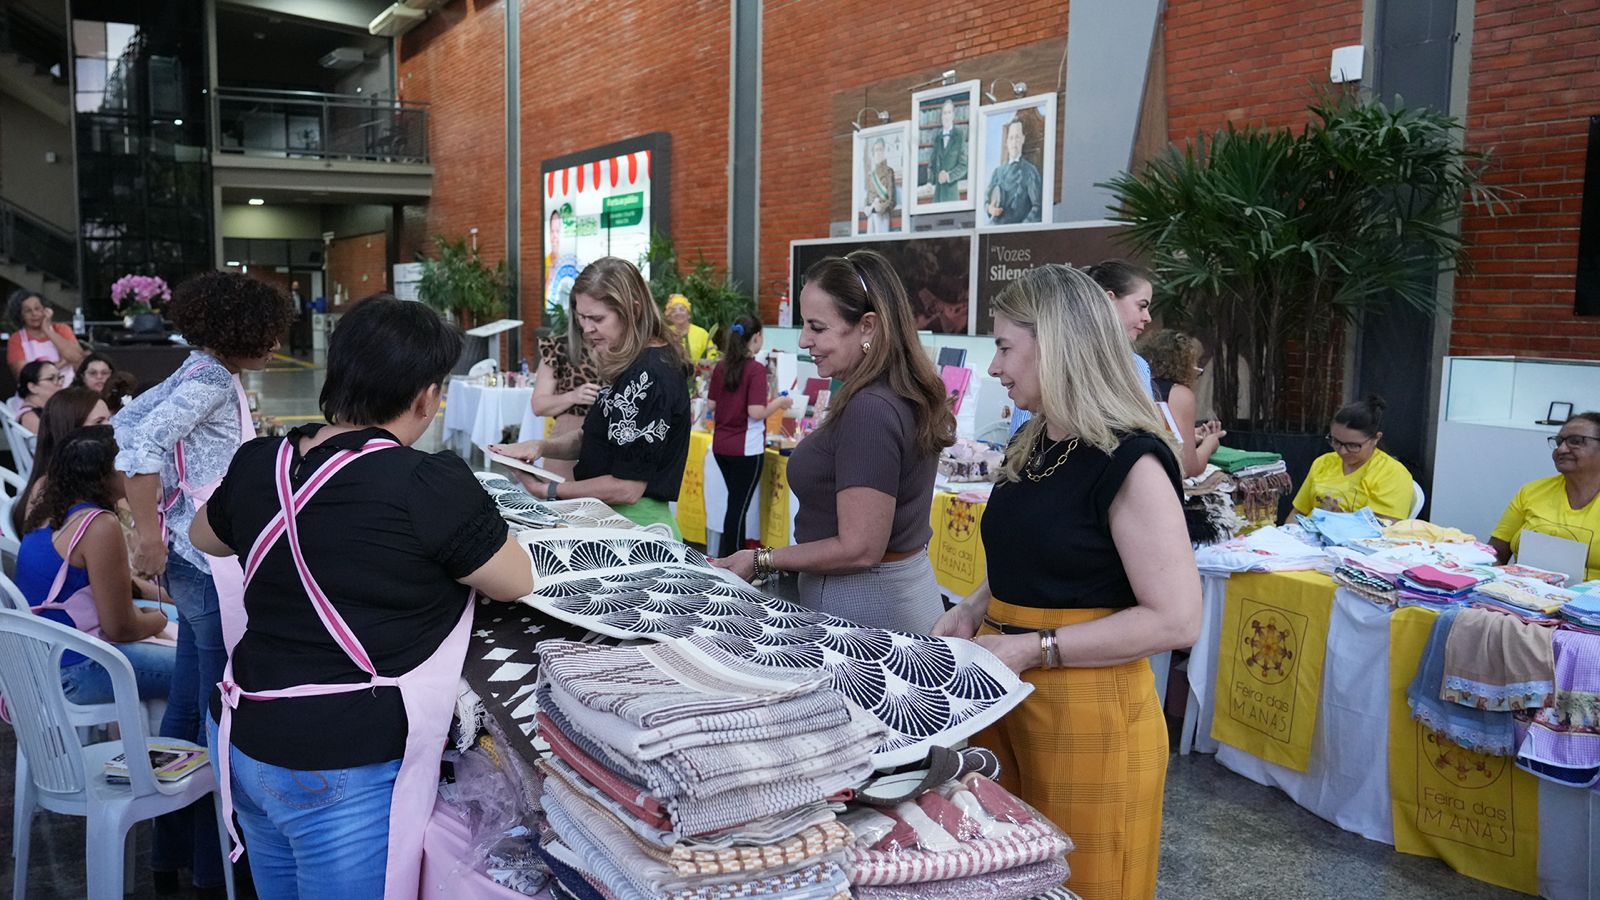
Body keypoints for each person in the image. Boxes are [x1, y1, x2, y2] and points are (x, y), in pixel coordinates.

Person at [190, 295, 534, 898]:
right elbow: (516, 580)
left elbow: (205, 538)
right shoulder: (427, 482)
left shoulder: (257, 463)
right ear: (427, 396)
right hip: (339, 762)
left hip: (246, 738)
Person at [932, 264, 1201, 900]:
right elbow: (1036, 557)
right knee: (1006, 877)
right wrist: (975, 608)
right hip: (1007, 695)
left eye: (1003, 347)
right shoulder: (1037, 437)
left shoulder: (1130, 457)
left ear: (1056, 344)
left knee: (1084, 884)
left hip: (1090, 713)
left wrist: (1035, 646)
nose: (995, 368)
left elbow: (1176, 618)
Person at [112, 270, 294, 895]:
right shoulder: (212, 380)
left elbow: (128, 421)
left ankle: (175, 851)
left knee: (190, 700)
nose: (274, 348)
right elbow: (138, 448)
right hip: (201, 553)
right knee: (220, 702)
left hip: (190, 546)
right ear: (236, 332)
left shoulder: (199, 371)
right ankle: (220, 861)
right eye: (267, 337)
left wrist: (158, 513)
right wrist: (150, 532)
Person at [712, 250, 955, 633]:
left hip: (867, 609)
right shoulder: (884, 395)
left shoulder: (871, 408)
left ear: (868, 327)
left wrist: (761, 560)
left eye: (817, 327)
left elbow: (859, 547)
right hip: (883, 600)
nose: (805, 340)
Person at [491, 257, 693, 536]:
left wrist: (549, 489)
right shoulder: (630, 363)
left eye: (597, 319)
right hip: (607, 518)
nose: (587, 329)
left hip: (635, 527)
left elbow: (628, 488)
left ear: (633, 311)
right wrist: (539, 447)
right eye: (581, 319)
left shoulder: (651, 373)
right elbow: (596, 438)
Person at [17, 426, 174, 706]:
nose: (132, 468)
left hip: (43, 662)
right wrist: (157, 619)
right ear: (104, 475)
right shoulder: (98, 525)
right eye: (124, 463)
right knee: (197, 666)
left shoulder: (47, 512)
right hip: (78, 670)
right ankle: (183, 745)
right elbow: (120, 629)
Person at [1013, 258, 1156, 435]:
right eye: (1141, 306)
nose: (1147, 317)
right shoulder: (1133, 365)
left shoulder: (1044, 360)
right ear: (1108, 300)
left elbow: (1018, 444)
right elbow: (1145, 434)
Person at [706, 315, 790, 558]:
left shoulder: (721, 367)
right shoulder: (755, 369)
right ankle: (732, 559)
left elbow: (711, 403)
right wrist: (780, 402)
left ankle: (731, 555)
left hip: (721, 446)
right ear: (756, 337)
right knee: (738, 506)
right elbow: (756, 412)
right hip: (746, 449)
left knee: (735, 504)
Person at [1490, 412, 1600, 581]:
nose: (1561, 449)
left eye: (1576, 441)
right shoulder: (1531, 492)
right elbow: (1495, 554)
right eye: (1559, 442)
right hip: (1521, 598)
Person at [1290, 395, 1414, 520]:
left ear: (1376, 439)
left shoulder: (1391, 473)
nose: (1342, 451)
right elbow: (1297, 513)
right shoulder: (1323, 463)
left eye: (1352, 445)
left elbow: (1383, 529)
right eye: (1336, 441)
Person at [12, 386, 111, 537]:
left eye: (110, 419)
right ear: (72, 432)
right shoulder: (51, 491)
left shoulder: (100, 475)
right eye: (99, 422)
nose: (110, 428)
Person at [1142, 329, 1224, 478]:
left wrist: (1191, 434)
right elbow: (1188, 467)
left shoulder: (1136, 386)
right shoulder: (1179, 395)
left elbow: (1158, 435)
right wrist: (1210, 444)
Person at [531, 311, 602, 482]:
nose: (588, 324)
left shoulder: (624, 349)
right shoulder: (559, 348)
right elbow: (538, 405)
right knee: (559, 500)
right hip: (568, 433)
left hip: (609, 440)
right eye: (583, 315)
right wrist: (573, 396)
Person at [6, 288, 84, 384]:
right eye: (28, 311)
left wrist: (48, 330)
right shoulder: (16, 339)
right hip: (35, 394)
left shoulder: (62, 329)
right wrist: (61, 363)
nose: (34, 314)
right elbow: (22, 375)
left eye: (37, 308)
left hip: (68, 392)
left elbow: (77, 357)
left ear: (45, 310)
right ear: (20, 316)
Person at [983, 117, 1043, 225]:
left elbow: (1037, 207)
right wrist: (990, 209)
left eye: (1017, 137)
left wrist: (1021, 228)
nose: (1014, 142)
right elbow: (986, 198)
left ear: (1023, 139)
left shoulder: (1030, 171)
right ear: (1006, 142)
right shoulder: (998, 171)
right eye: (1011, 138)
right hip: (994, 226)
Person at [927, 99, 967, 204]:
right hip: (937, 195)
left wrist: (948, 176)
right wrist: (930, 182)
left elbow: (964, 165)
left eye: (949, 112)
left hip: (951, 194)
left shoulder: (959, 135)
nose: (947, 116)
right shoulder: (937, 136)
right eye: (944, 113)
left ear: (953, 115)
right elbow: (932, 163)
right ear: (941, 116)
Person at [13, 359, 63, 434]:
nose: (59, 383)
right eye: (51, 379)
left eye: (59, 378)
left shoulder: (50, 408)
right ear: (32, 387)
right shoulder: (30, 417)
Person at [665, 293, 716, 365]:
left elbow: (712, 357)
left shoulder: (702, 334)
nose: (678, 313)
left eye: (682, 309)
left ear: (689, 315)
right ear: (669, 317)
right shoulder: (665, 333)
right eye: (673, 311)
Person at [862, 137, 897, 233]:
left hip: (883, 215)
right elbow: (867, 196)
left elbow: (892, 199)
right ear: (873, 153)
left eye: (880, 149)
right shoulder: (870, 175)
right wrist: (867, 207)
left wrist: (881, 207)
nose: (878, 152)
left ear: (884, 151)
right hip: (871, 215)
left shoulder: (889, 172)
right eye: (876, 150)